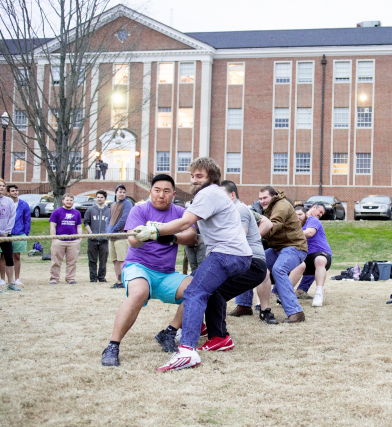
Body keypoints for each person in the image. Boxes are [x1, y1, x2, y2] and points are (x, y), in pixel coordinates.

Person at [132, 158, 268, 371]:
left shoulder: (209, 193)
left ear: (211, 178)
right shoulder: (212, 196)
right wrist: (167, 234)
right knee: (209, 290)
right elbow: (193, 229)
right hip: (238, 257)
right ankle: (218, 337)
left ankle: (187, 351)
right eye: (192, 176)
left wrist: (155, 230)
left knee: (194, 292)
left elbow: (186, 222)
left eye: (199, 176)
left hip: (227, 254)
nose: (194, 180)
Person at [100, 175, 199, 366]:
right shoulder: (139, 209)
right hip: (139, 267)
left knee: (197, 290)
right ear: (150, 191)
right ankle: (112, 346)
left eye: (166, 191)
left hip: (166, 274)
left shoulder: (180, 212)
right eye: (157, 190)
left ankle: (168, 332)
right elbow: (133, 242)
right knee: (139, 293)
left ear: (173, 194)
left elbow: (192, 236)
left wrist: (166, 236)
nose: (161, 195)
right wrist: (144, 234)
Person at [256, 186, 308, 324]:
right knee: (253, 263)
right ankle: (243, 305)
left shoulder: (282, 205)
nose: (262, 201)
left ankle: (296, 312)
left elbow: (273, 226)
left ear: (273, 196)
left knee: (279, 269)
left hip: (295, 247)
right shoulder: (269, 208)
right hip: (278, 248)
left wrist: (254, 233)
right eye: (260, 198)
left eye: (265, 197)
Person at [222, 180, 272, 316]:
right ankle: (245, 306)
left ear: (232, 195)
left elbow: (267, 223)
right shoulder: (235, 209)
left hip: (252, 256)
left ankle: (264, 309)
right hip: (246, 254)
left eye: (221, 196)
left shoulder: (240, 209)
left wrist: (253, 240)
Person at [289, 203, 332, 307]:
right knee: (293, 263)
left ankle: (319, 294)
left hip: (321, 253)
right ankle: (285, 293)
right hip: (304, 255)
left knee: (319, 260)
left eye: (322, 213)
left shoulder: (313, 220)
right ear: (313, 207)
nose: (321, 215)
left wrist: (290, 234)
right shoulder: (294, 223)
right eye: (320, 211)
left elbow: (309, 233)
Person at [0, 178, 20, 292]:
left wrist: (6, 231)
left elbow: (12, 216)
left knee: (9, 258)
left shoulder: (9, 201)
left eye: (3, 185)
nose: (2, 187)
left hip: (6, 234)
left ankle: (11, 283)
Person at [49, 194, 82, 284]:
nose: (69, 202)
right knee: (56, 261)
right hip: (59, 240)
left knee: (72, 261)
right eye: (67, 200)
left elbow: (79, 226)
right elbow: (52, 226)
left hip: (73, 241)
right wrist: (54, 239)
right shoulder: (56, 212)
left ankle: (70, 278)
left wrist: (79, 238)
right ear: (63, 201)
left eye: (71, 200)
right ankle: (54, 278)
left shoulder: (77, 213)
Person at [107, 185, 132, 288]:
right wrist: (108, 231)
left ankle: (124, 281)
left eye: (123, 192)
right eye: (120, 191)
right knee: (115, 260)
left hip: (121, 237)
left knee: (122, 260)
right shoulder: (112, 205)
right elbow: (109, 220)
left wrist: (114, 230)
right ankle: (118, 281)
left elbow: (124, 218)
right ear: (116, 193)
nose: (122, 194)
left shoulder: (127, 203)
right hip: (112, 237)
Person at [3, 185, 30, 286]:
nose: (15, 192)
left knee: (17, 256)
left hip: (19, 233)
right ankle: (2, 279)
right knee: (3, 256)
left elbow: (27, 220)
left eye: (16, 190)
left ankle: (17, 278)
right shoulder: (5, 203)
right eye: (12, 191)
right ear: (8, 193)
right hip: (6, 233)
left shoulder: (24, 204)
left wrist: (25, 233)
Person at [84, 190, 110, 283]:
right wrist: (90, 232)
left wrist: (108, 233)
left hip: (104, 239)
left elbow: (111, 224)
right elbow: (86, 222)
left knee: (103, 260)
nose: (99, 199)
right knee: (92, 260)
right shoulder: (90, 210)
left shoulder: (109, 211)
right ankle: (93, 278)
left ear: (105, 198)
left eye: (101, 197)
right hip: (92, 239)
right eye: (98, 197)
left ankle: (102, 277)